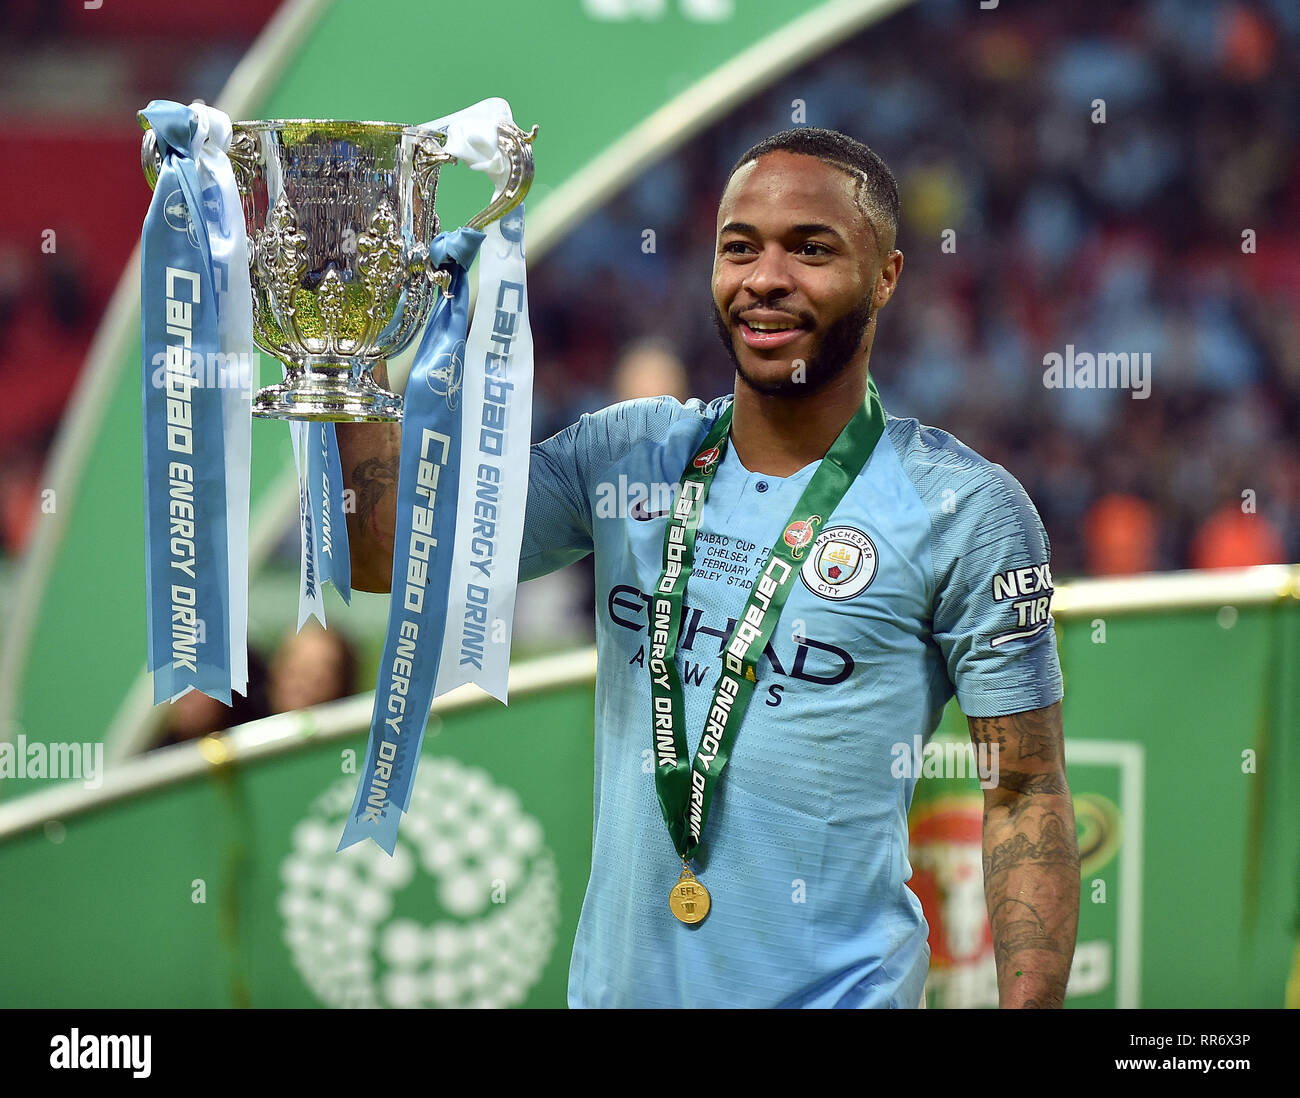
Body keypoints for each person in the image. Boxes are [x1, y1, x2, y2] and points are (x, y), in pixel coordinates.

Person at [337, 127, 1079, 1009]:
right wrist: (347, 345)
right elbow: (390, 554)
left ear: (885, 275)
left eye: (811, 249)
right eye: (740, 248)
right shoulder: (626, 458)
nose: (766, 278)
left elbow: (1025, 791)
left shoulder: (964, 511)